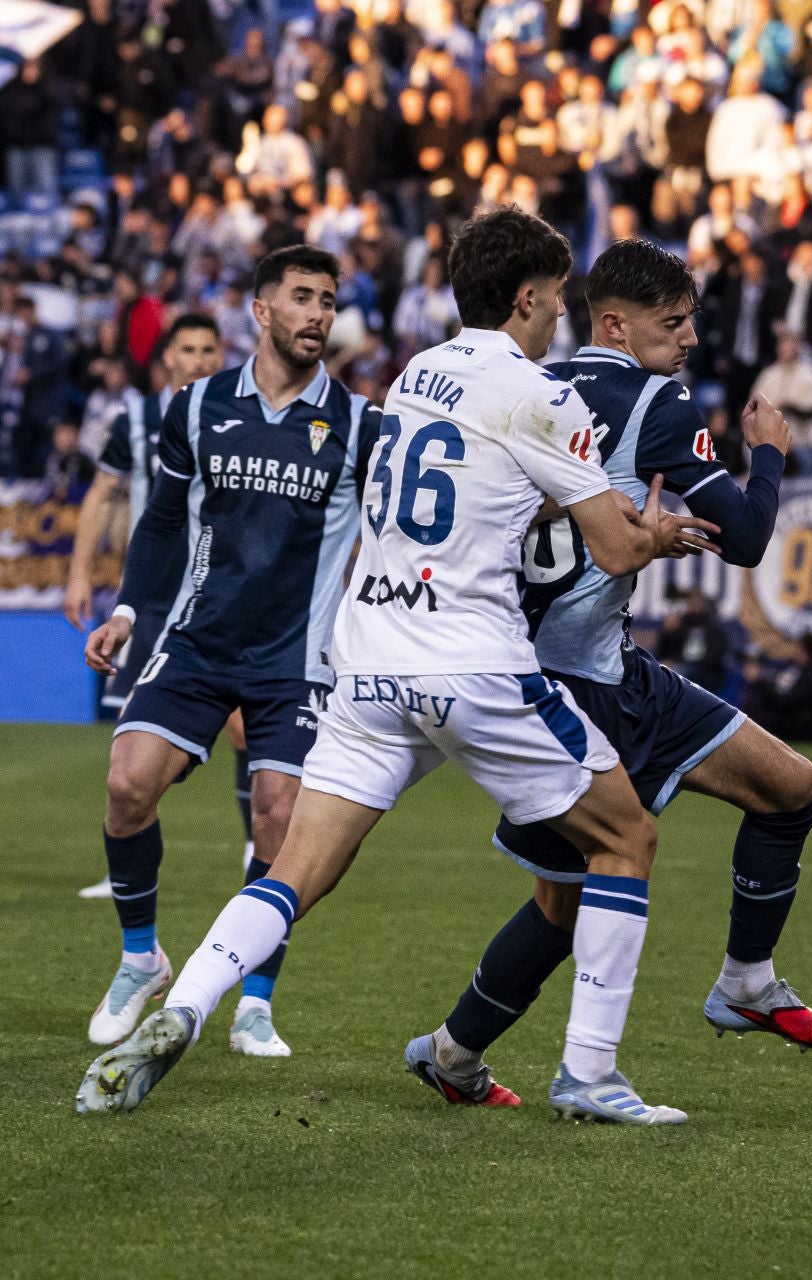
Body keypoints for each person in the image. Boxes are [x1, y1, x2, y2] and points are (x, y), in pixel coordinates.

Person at [77, 208, 719, 1125]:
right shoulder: (542, 393)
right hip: (473, 667)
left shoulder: (419, 373)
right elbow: (615, 550)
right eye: (556, 299)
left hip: (369, 662)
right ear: (530, 297)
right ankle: (589, 1075)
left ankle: (184, 1006)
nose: (560, 317)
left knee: (293, 870)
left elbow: (471, 500)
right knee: (625, 839)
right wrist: (652, 532)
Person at [402, 238, 812, 1111]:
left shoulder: (534, 384)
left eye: (691, 322)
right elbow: (749, 541)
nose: (688, 339)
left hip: (547, 673)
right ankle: (602, 1052)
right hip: (588, 688)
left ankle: (456, 1052)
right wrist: (769, 453)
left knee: (576, 899)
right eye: (671, 323)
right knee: (610, 879)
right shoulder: (656, 402)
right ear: (615, 323)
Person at [73, 246, 378, 1059]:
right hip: (198, 640)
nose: (318, 313)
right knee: (126, 783)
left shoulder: (355, 423)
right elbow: (165, 520)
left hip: (297, 659)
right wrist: (129, 608)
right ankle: (142, 956)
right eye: (302, 297)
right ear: (262, 310)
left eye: (328, 300)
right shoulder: (198, 405)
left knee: (280, 823)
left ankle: (255, 1001)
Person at [61, 315, 255, 899]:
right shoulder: (138, 419)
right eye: (187, 349)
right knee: (130, 735)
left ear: (221, 355)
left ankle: (254, 846)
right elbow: (101, 493)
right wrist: (79, 573)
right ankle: (123, 866)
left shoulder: (238, 418)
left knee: (243, 727)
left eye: (207, 349)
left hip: (217, 590)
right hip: (149, 599)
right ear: (166, 357)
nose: (197, 359)